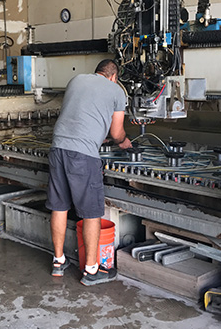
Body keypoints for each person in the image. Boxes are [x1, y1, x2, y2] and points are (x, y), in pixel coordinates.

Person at [46, 59, 132, 286]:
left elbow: (80, 114)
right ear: (114, 77)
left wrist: (96, 134)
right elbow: (117, 132)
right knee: (91, 212)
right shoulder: (116, 90)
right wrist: (125, 143)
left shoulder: (76, 80)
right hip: (83, 156)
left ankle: (58, 262)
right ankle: (92, 270)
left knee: (59, 206)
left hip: (58, 148)